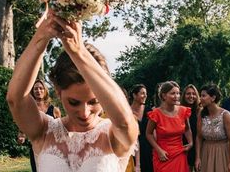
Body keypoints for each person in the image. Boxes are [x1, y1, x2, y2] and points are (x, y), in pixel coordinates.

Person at [7, 11, 138, 172]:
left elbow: (125, 121)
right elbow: (16, 98)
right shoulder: (44, 130)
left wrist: (79, 51)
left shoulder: (114, 134)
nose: (84, 112)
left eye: (94, 102)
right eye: (74, 102)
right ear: (58, 91)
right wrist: (42, 35)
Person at [195, 83, 230, 172]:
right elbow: (199, 137)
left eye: (203, 96)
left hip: (224, 153)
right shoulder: (201, 114)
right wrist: (198, 158)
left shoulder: (225, 115)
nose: (200, 99)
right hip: (206, 153)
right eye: (200, 96)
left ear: (213, 98)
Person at [146, 81, 193, 172]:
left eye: (178, 93)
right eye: (173, 93)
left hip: (179, 154)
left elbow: (187, 129)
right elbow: (148, 134)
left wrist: (190, 143)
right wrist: (159, 150)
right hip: (163, 155)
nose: (176, 96)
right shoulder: (156, 113)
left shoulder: (184, 111)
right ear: (164, 96)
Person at [18, 79, 62, 172]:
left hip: (52, 147)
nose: (38, 91)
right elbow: (24, 125)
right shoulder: (29, 109)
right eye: (35, 89)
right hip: (36, 146)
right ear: (32, 92)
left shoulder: (54, 110)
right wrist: (22, 136)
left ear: (45, 90)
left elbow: (60, 128)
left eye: (41, 88)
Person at [130, 84, 152, 172]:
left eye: (146, 93)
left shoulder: (149, 111)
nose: (145, 95)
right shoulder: (127, 111)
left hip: (148, 148)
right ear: (134, 95)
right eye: (142, 93)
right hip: (134, 149)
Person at [181, 84, 201, 170]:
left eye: (193, 94)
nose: (191, 96)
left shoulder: (200, 111)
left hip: (198, 146)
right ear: (184, 95)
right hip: (183, 146)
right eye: (188, 94)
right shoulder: (179, 110)